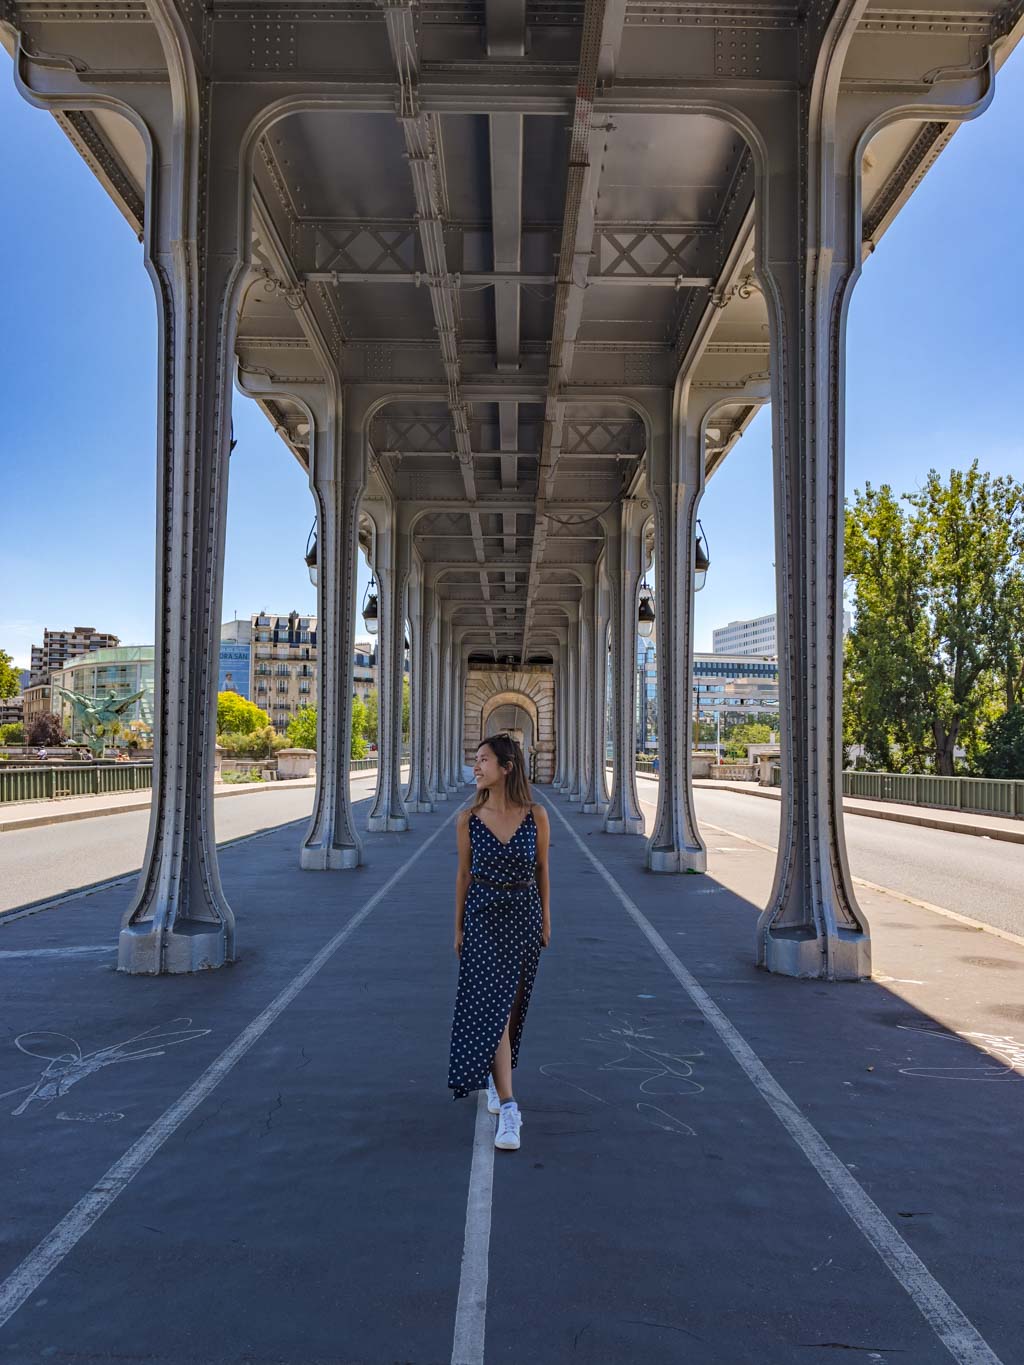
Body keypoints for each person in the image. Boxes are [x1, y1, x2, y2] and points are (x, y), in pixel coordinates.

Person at [448, 732, 551, 1151]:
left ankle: (496, 1077)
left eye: (484, 759)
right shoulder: (468, 819)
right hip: (483, 917)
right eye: (476, 758)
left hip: (523, 915)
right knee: (490, 1004)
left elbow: (543, 868)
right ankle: (509, 1106)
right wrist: (457, 928)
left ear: (507, 767)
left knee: (510, 1007)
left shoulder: (536, 815)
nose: (476, 765)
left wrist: (546, 917)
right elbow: (463, 877)